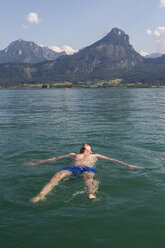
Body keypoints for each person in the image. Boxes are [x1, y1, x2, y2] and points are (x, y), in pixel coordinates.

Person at [25, 143, 141, 202]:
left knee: (88, 177)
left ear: (91, 151)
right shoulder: (73, 154)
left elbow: (112, 159)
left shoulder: (95, 155)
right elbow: (55, 158)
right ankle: (41, 195)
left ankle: (91, 193)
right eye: (83, 145)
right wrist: (37, 163)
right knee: (58, 175)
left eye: (86, 145)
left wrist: (128, 165)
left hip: (87, 169)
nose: (84, 144)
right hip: (71, 168)